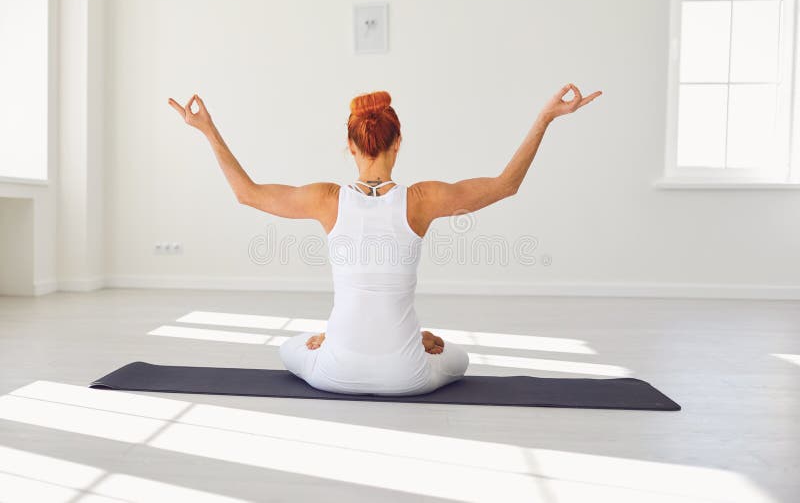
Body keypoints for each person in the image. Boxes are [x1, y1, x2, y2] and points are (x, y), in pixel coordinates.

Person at [168, 84, 601, 395]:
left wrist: (207, 129)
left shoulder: (326, 200)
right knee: (460, 358)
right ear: (398, 144)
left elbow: (247, 194)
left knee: (289, 346)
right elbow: (507, 184)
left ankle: (333, 337)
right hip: (407, 377)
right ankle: (416, 338)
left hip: (333, 374)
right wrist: (545, 118)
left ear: (351, 148)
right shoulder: (422, 200)